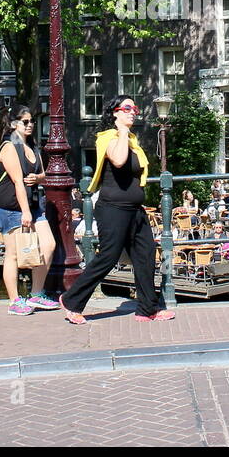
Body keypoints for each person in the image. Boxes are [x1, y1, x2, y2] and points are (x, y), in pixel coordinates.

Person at [60, 97, 174, 324]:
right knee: (108, 257)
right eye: (128, 109)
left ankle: (147, 308)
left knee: (146, 254)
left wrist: (127, 135)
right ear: (115, 113)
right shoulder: (107, 138)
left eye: (135, 109)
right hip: (113, 208)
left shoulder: (132, 140)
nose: (133, 113)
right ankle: (72, 300)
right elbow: (119, 161)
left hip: (134, 209)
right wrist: (121, 132)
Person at [0, 105, 58, 316]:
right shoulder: (9, 147)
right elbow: (18, 183)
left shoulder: (33, 148)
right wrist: (25, 213)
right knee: (12, 254)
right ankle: (14, 301)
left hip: (32, 205)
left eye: (32, 122)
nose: (30, 125)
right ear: (13, 124)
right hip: (10, 207)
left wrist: (38, 178)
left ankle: (36, 294)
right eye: (25, 122)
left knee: (48, 244)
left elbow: (43, 175)